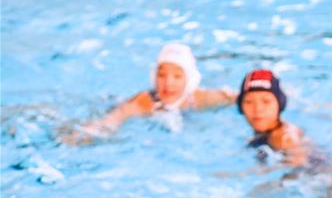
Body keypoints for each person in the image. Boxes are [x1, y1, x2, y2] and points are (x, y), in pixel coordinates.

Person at [236, 69, 332, 198]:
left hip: (331, 177)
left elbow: (298, 161)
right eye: (249, 102)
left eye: (266, 102)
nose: (258, 109)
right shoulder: (272, 132)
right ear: (240, 106)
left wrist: (245, 174)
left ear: (280, 104)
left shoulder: (283, 137)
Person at [64, 42, 235, 143]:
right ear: (154, 76)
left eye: (177, 76)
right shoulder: (145, 101)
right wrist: (86, 133)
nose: (168, 83)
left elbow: (240, 98)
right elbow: (114, 118)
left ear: (189, 79)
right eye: (162, 75)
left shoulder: (198, 98)